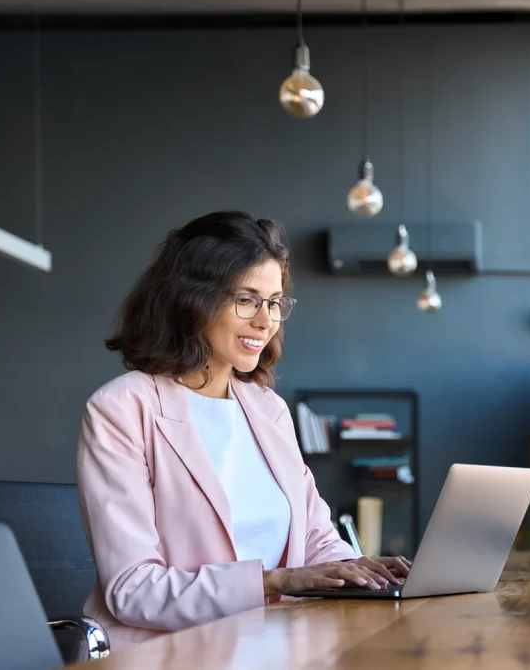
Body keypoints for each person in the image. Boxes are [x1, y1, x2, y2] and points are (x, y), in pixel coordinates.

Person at [76, 210, 411, 651]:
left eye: (274, 302)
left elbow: (315, 538)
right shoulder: (121, 409)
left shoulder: (268, 409)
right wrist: (276, 580)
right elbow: (133, 589)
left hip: (279, 645)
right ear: (191, 299)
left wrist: (360, 570)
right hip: (172, 654)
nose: (265, 321)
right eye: (247, 300)